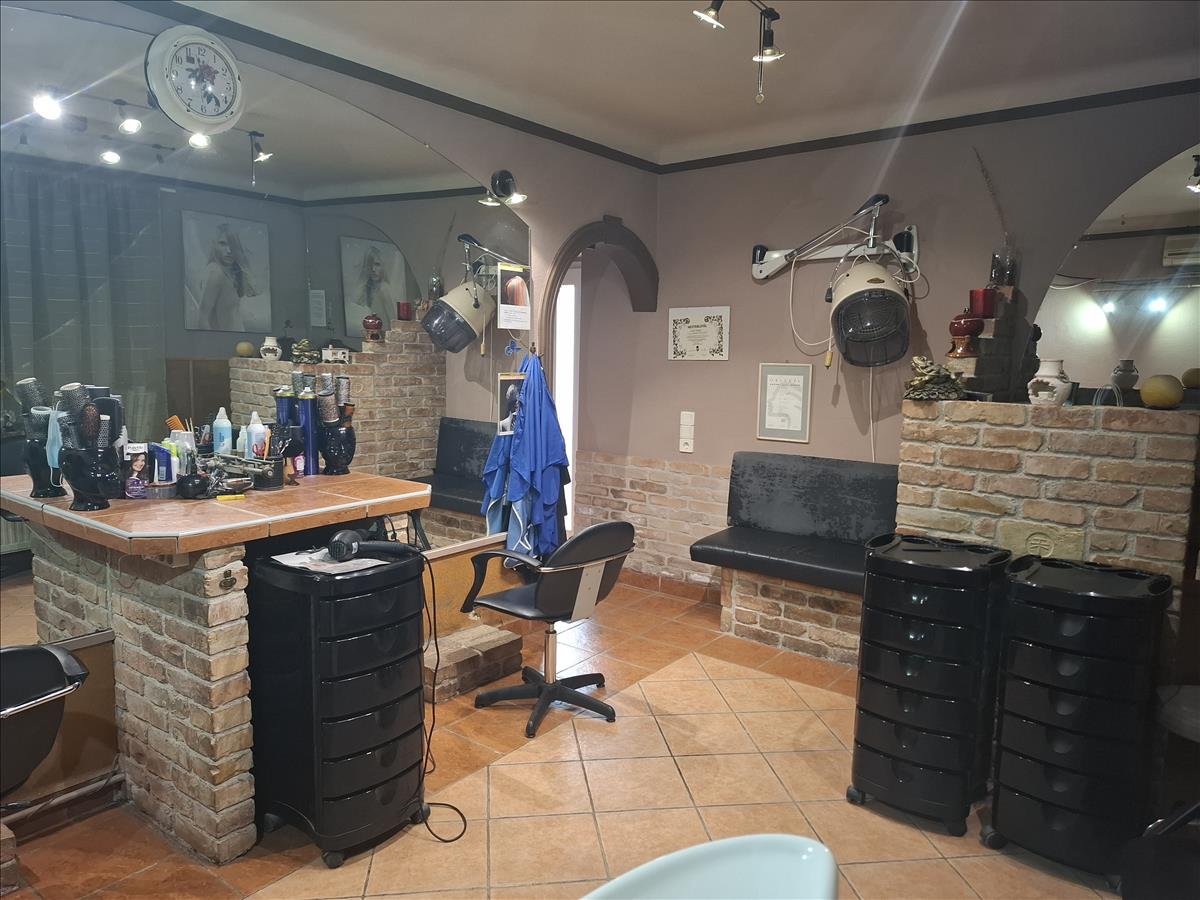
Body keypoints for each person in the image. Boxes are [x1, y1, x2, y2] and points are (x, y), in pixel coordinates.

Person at [196, 224, 258, 331]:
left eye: (232, 245)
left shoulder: (232, 273)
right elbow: (202, 319)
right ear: (214, 245)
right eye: (223, 244)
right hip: (223, 339)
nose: (229, 250)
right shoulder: (216, 273)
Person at [351, 245, 394, 331]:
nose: (373, 269)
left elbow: (393, 320)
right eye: (369, 265)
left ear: (383, 266)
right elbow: (356, 303)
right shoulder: (366, 287)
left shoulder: (384, 288)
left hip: (384, 334)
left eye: (377, 264)